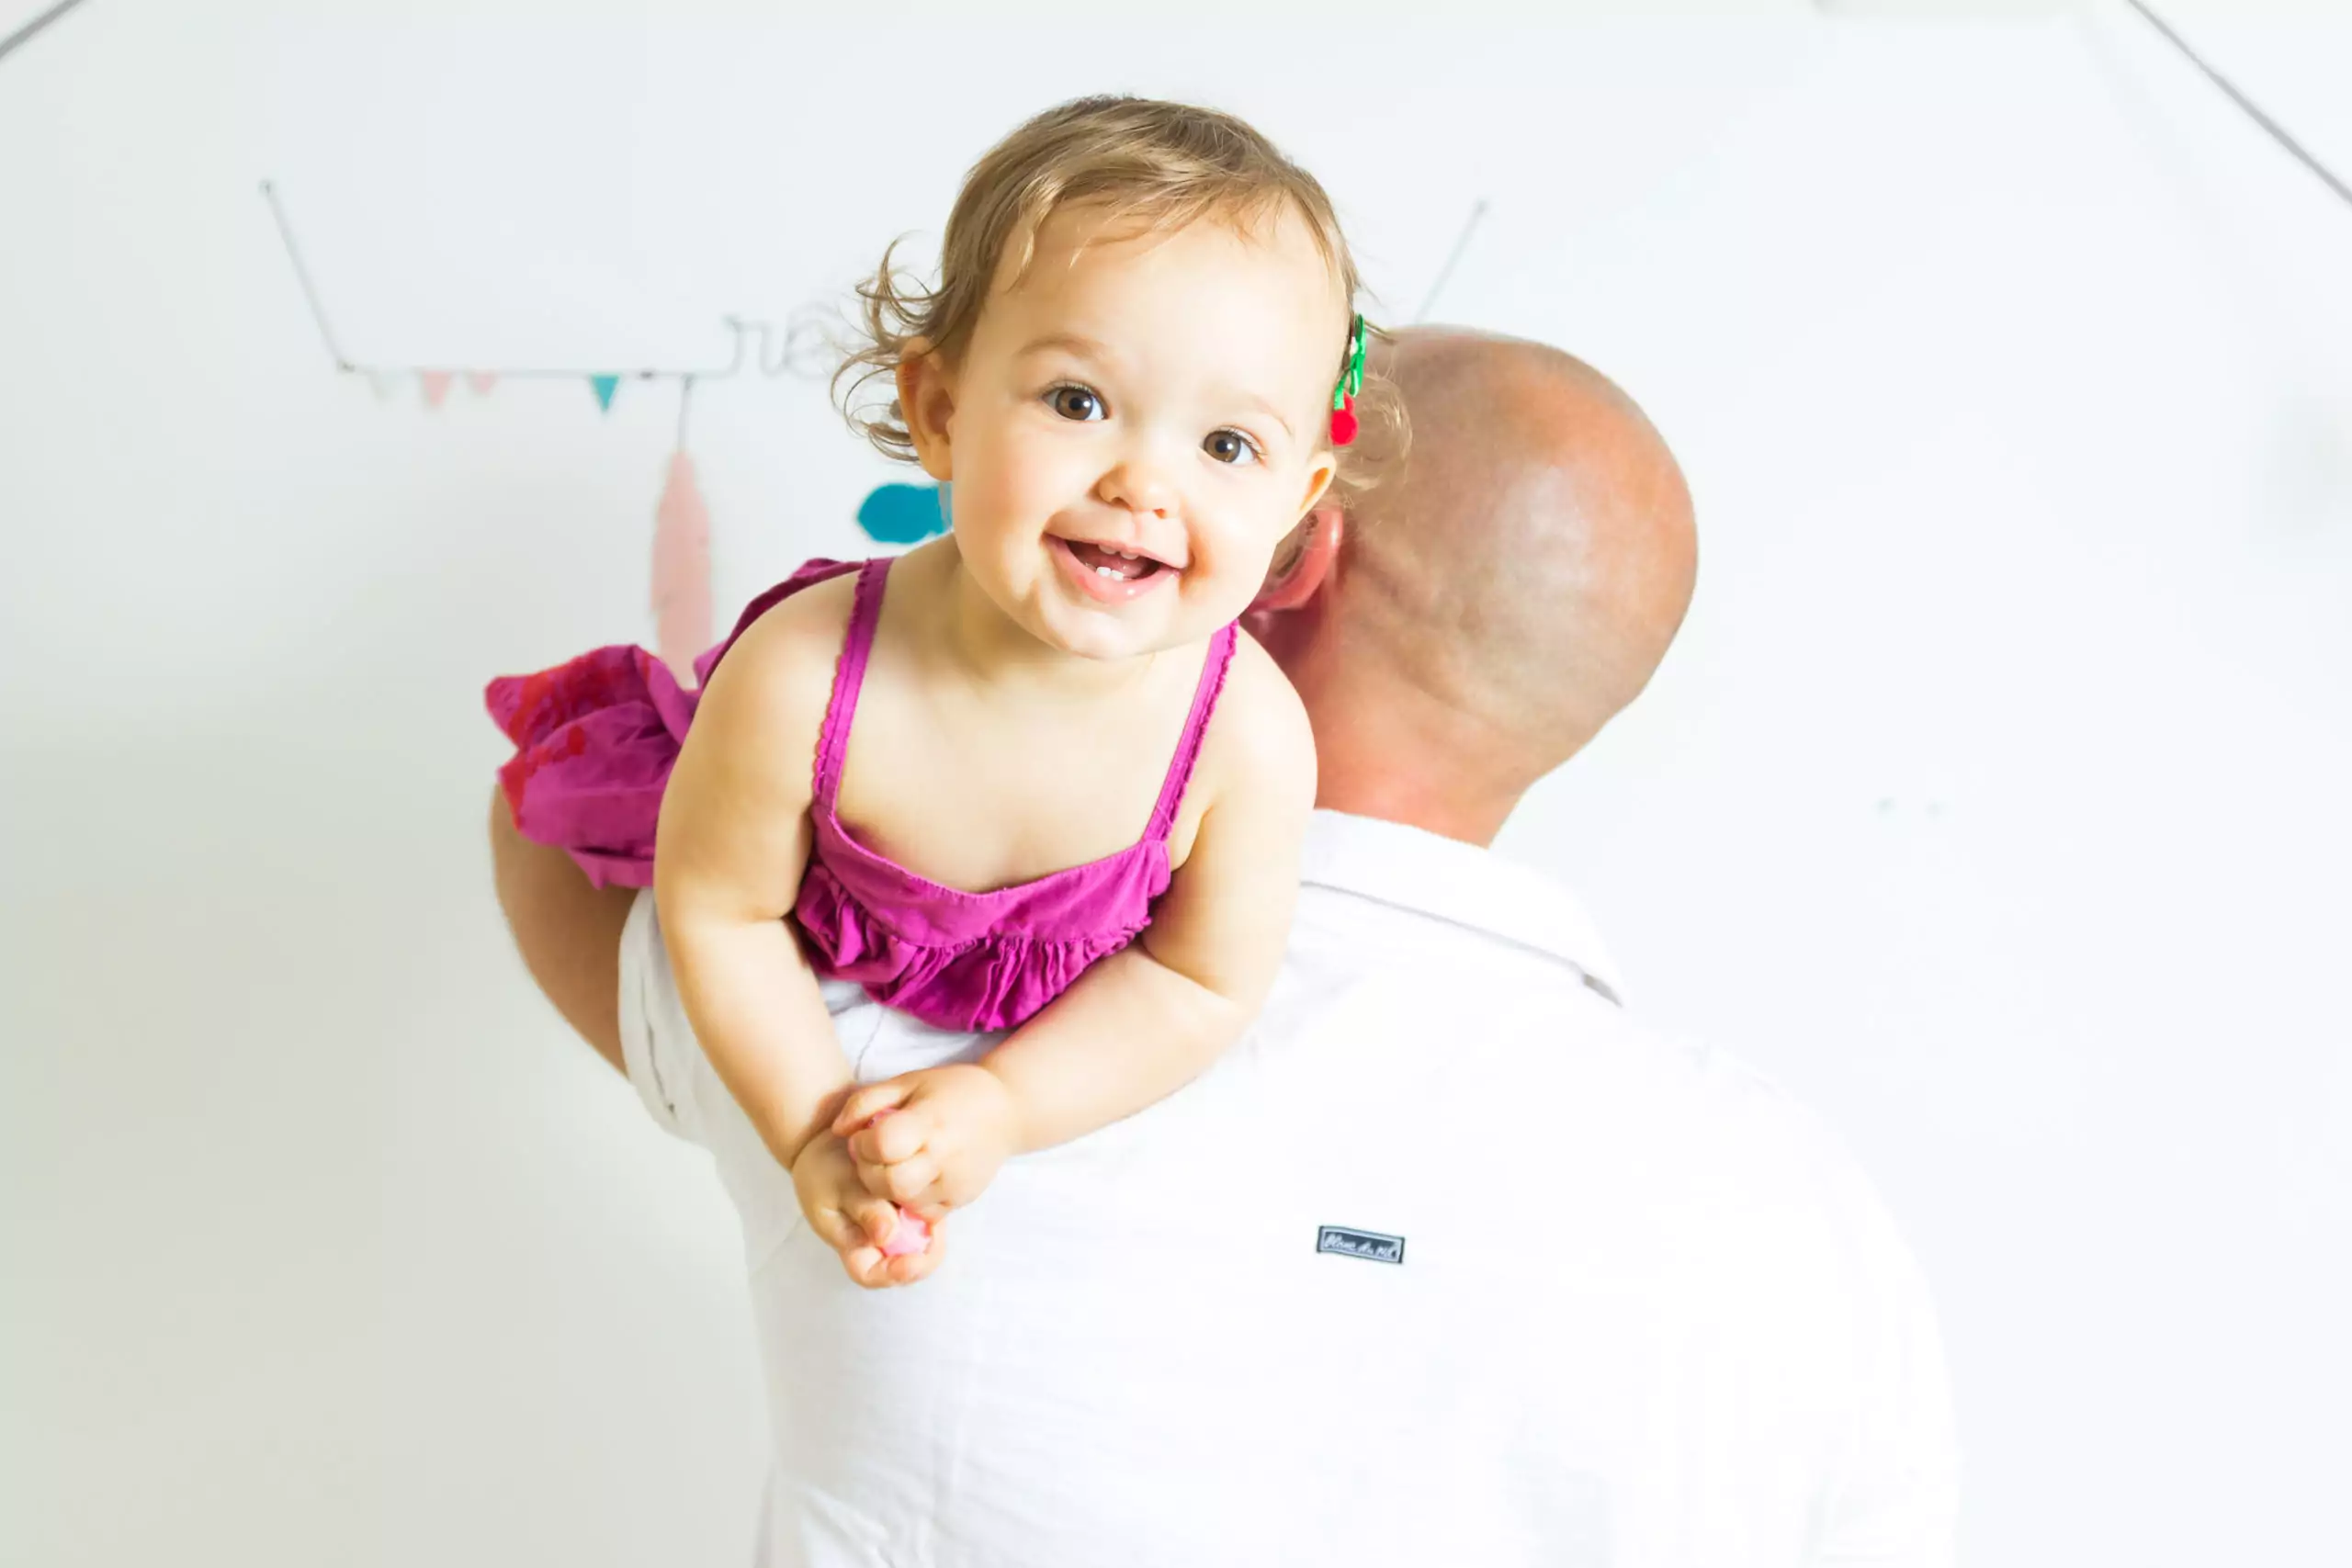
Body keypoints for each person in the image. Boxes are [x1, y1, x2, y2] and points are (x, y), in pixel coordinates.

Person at [490, 327, 1961, 1566]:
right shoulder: (1811, 1224)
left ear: (1297, 549)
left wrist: (924, 662)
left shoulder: (873, 994)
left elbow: (550, 812)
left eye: (1228, 446)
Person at [486, 96, 1396, 1286]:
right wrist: (809, 1130)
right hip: (773, 925)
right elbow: (723, 911)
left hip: (1035, 1017)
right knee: (531, 825)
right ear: (941, 411)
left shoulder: (1246, 736)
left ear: (1300, 493)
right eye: (1079, 402)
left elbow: (1198, 979)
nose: (1143, 484)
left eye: (1228, 445)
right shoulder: (807, 675)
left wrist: (1004, 1105)